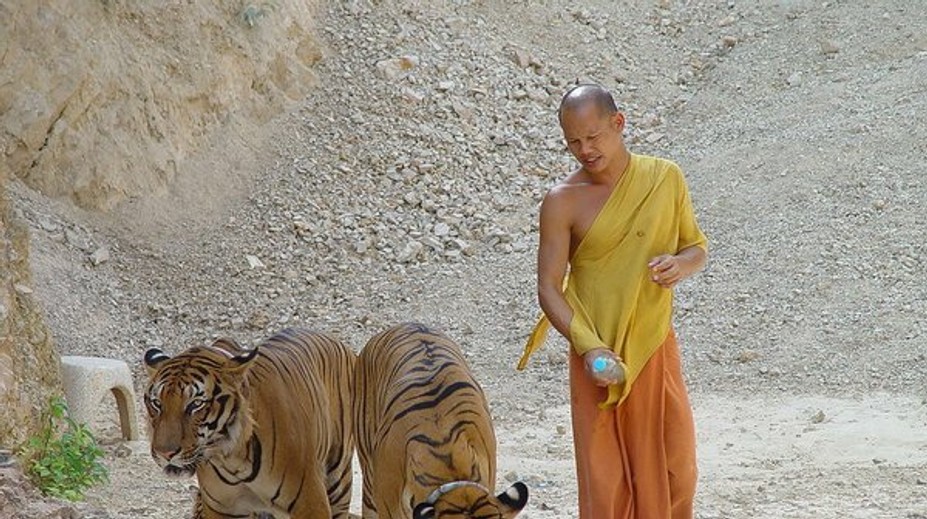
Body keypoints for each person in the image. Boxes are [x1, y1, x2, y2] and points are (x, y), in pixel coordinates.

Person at [517, 84, 708, 519]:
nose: (584, 150)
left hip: (653, 344)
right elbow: (549, 287)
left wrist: (682, 265)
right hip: (596, 355)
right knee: (606, 483)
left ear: (618, 124)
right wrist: (589, 347)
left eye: (593, 137)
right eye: (573, 142)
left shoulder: (664, 178)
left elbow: (696, 247)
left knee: (678, 466)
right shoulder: (561, 202)